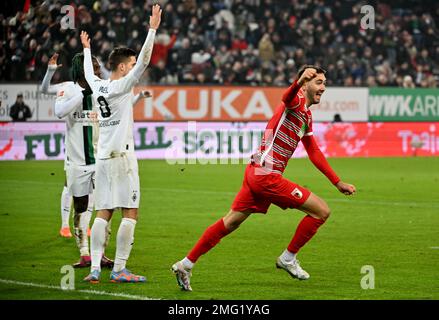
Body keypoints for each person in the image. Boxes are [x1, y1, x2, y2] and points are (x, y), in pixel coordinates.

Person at [171, 65, 357, 291]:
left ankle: (185, 264)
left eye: (324, 83)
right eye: (318, 83)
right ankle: (288, 258)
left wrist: (337, 182)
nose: (323, 88)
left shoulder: (306, 115)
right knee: (321, 211)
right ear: (305, 83)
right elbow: (285, 97)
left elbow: (314, 151)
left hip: (256, 171)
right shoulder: (296, 101)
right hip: (266, 175)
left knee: (230, 222)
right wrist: (298, 82)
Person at [81, 4, 162, 283]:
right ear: (124, 67)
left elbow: (89, 73)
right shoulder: (121, 85)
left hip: (102, 159)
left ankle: (94, 269)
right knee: (130, 211)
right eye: (130, 65)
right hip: (123, 158)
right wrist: (152, 29)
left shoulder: (98, 85)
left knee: (103, 211)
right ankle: (119, 270)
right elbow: (145, 61)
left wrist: (86, 50)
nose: (133, 67)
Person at [40, 52, 113, 268]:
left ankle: (100, 253)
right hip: (77, 162)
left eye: (98, 67)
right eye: (94, 67)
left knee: (105, 207)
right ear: (82, 69)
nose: (98, 71)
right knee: (81, 207)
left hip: (100, 160)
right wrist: (52, 72)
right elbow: (59, 111)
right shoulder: (69, 88)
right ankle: (84, 254)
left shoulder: (101, 88)